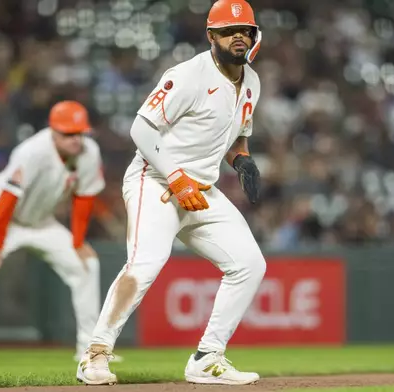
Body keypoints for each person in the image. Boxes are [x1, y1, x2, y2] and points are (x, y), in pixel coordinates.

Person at [77, 0, 264, 386]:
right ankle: (95, 353)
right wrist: (176, 176)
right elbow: (141, 130)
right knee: (146, 262)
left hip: (201, 189)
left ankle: (207, 357)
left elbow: (234, 134)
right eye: (229, 31)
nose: (239, 36)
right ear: (211, 36)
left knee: (249, 264)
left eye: (245, 29)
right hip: (156, 181)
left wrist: (242, 160)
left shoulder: (252, 83)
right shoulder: (188, 75)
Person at [0, 101, 108, 363]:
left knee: (88, 264)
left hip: (40, 221)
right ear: (53, 130)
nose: (76, 139)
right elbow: (9, 197)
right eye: (68, 133)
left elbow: (84, 198)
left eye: (80, 133)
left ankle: (88, 348)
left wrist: (77, 241)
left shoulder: (89, 153)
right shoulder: (32, 151)